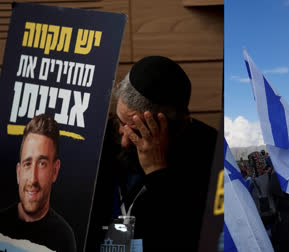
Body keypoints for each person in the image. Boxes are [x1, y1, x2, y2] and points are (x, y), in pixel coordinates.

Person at [87, 56, 218, 251]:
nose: (123, 140)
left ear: (176, 127)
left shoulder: (211, 153)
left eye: (138, 132)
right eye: (121, 123)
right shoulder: (103, 138)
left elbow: (188, 238)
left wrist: (157, 171)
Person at [0, 114, 76, 252]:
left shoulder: (63, 237)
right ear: (18, 172)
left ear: (55, 170)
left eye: (42, 164)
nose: (33, 179)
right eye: (27, 164)